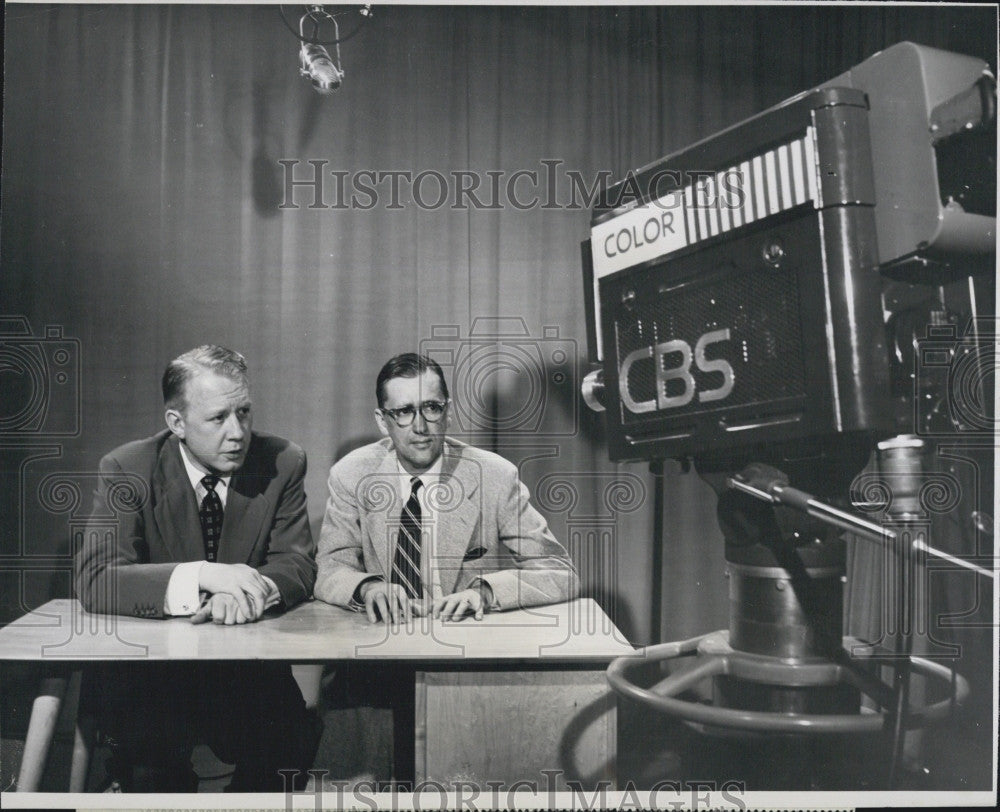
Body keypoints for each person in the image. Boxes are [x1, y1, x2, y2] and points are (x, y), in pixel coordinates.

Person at [74, 345, 319, 792]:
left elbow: (297, 561)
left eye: (244, 412)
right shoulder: (127, 467)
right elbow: (97, 579)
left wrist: (251, 589)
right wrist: (205, 574)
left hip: (249, 674)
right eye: (218, 417)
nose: (238, 432)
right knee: (151, 767)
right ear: (176, 424)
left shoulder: (283, 461)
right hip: (154, 679)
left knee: (289, 742)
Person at [314, 352, 579, 621]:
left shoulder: (494, 476)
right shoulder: (351, 474)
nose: (420, 427)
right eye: (404, 412)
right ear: (383, 421)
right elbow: (329, 569)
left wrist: (484, 593)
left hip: (462, 645)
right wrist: (369, 588)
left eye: (431, 408)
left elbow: (559, 572)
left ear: (448, 413)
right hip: (379, 643)